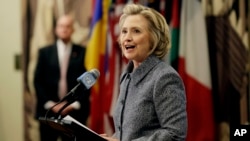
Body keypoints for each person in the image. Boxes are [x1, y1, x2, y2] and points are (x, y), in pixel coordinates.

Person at [101, 4, 187, 141]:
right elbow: (127, 132)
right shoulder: (127, 75)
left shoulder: (164, 77)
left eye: (136, 31)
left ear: (154, 38)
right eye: (124, 31)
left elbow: (174, 134)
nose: (127, 38)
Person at [34, 14, 90, 141]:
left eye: (67, 26)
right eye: (61, 26)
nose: (64, 29)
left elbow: (87, 83)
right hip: (48, 114)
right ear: (56, 29)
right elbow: (38, 82)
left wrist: (73, 105)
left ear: (73, 30)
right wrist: (51, 105)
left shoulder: (83, 52)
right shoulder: (45, 53)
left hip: (74, 114)